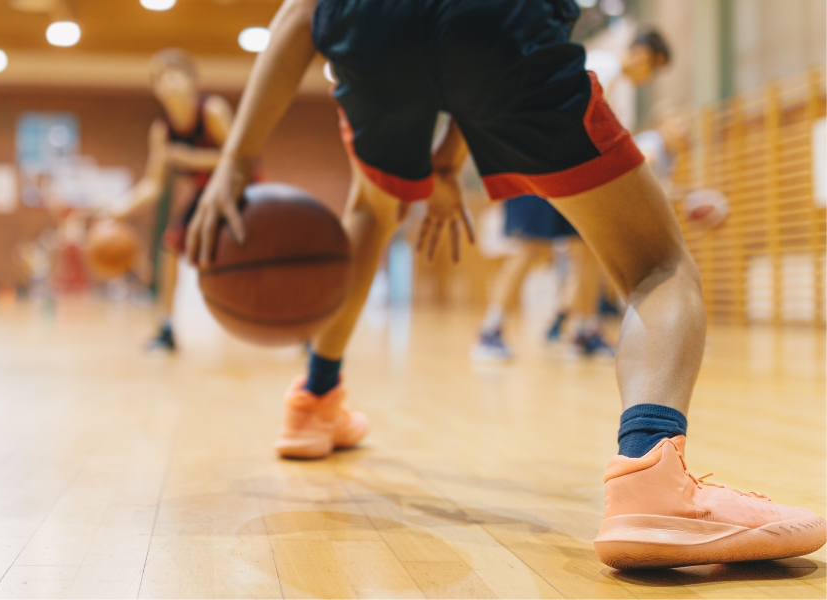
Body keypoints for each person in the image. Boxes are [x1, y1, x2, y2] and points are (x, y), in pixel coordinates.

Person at [186, 0, 827, 569]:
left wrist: (236, 163)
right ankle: (648, 469)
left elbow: (303, 15)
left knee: (371, 210)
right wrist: (445, 163)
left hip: (373, 24)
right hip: (502, 27)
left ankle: (314, 397)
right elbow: (473, 36)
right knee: (656, 265)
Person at [472, 28, 672, 362]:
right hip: (539, 162)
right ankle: (490, 330)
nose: (649, 78)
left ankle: (583, 330)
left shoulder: (622, 93)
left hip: (576, 174)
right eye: (653, 69)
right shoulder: (598, 66)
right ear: (642, 55)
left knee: (589, 248)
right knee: (530, 247)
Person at [115, 49, 233, 351]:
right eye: (162, 79)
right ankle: (166, 328)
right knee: (169, 247)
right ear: (156, 90)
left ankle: (305, 329)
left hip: (240, 187)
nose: (169, 83)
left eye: (175, 76)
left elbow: (241, 159)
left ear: (193, 82)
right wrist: (117, 210)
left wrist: (192, 159)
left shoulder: (212, 111)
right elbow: (152, 185)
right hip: (205, 193)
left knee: (264, 258)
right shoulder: (162, 130)